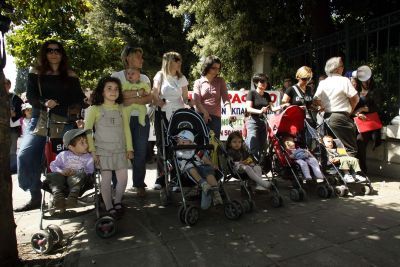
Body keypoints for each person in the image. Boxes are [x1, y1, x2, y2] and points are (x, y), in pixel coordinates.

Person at [15, 40, 85, 212]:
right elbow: (31, 96)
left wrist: (82, 105)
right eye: (49, 50)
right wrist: (44, 102)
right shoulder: (35, 72)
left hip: (64, 120)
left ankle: (65, 195)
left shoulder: (70, 74)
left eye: (57, 50)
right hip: (40, 118)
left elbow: (79, 98)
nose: (54, 53)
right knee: (25, 155)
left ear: (62, 53)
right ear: (44, 53)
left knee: (66, 158)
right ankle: (35, 195)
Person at [84, 76, 133, 219]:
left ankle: (117, 201)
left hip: (120, 149)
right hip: (102, 150)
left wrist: (129, 148)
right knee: (105, 180)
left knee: (123, 178)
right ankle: (108, 205)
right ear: (102, 91)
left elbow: (126, 129)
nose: (113, 91)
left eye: (116, 89)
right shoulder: (94, 109)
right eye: (109, 88)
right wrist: (93, 151)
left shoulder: (121, 109)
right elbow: (88, 131)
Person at [112, 46, 153, 197]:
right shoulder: (116, 76)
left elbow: (149, 98)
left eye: (142, 57)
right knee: (120, 152)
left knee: (141, 152)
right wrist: (138, 94)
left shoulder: (145, 78)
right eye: (138, 57)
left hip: (141, 120)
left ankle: (139, 184)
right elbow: (116, 96)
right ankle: (117, 186)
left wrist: (131, 97)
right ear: (127, 58)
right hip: (121, 119)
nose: (141, 60)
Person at [152, 51, 190, 189]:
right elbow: (154, 93)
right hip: (162, 113)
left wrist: (189, 104)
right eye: (176, 59)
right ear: (169, 61)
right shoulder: (160, 75)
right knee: (162, 144)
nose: (179, 62)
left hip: (178, 115)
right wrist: (159, 102)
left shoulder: (182, 78)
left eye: (180, 59)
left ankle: (175, 178)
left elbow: (185, 97)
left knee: (176, 144)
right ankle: (161, 178)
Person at [313, 57, 359, 157]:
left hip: (327, 117)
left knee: (337, 145)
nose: (343, 68)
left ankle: (341, 169)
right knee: (350, 147)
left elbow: (315, 99)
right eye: (342, 66)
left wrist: (323, 106)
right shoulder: (344, 80)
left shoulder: (323, 82)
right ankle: (350, 170)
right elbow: (355, 98)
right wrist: (350, 110)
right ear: (337, 69)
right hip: (341, 116)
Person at [47, 129, 94, 211]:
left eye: (86, 142)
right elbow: (53, 165)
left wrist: (78, 172)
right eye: (82, 143)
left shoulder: (88, 157)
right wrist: (61, 171)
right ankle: (58, 196)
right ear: (71, 147)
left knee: (81, 175)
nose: (86, 145)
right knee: (52, 175)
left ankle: (72, 198)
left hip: (77, 182)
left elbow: (90, 171)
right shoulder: (63, 155)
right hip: (61, 180)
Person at [175, 130, 223, 209]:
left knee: (209, 172)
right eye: (179, 142)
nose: (180, 144)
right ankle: (204, 184)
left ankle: (215, 193)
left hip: (201, 166)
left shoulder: (196, 148)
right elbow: (181, 156)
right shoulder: (178, 149)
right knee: (192, 169)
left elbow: (204, 158)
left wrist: (212, 164)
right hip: (189, 168)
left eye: (183, 142)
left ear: (191, 142)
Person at [245, 73, 287, 160]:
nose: (264, 83)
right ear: (256, 83)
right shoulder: (251, 93)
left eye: (266, 81)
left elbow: (273, 109)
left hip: (263, 122)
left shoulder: (267, 95)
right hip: (253, 121)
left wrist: (283, 106)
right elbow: (248, 109)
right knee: (253, 145)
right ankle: (252, 166)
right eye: (262, 81)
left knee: (262, 146)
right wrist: (260, 111)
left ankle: (260, 167)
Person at [193, 55, 234, 139]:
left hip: (215, 118)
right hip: (200, 116)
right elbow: (197, 101)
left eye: (218, 68)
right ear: (207, 67)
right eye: (214, 68)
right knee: (200, 143)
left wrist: (229, 113)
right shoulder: (198, 82)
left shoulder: (220, 81)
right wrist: (205, 113)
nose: (217, 71)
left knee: (214, 146)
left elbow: (226, 99)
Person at [353, 76, 382, 174]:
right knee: (354, 144)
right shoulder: (355, 91)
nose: (366, 81)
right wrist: (357, 113)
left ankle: (362, 169)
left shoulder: (375, 91)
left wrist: (364, 109)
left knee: (360, 141)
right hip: (355, 121)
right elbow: (351, 107)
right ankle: (354, 169)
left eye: (368, 78)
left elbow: (377, 107)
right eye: (363, 79)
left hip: (369, 123)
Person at [5, 78, 24, 174]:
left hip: (12, 129)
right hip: (2, 128)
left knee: (12, 150)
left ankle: (12, 169)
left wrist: (14, 114)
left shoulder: (15, 98)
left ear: (9, 85)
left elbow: (22, 112)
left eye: (5, 84)